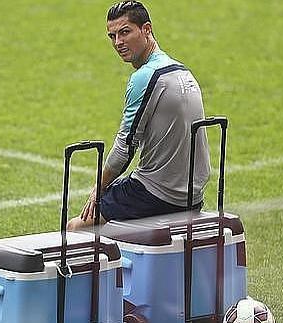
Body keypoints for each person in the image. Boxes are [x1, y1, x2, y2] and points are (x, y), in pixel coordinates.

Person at [67, 1, 210, 230]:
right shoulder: (183, 71)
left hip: (158, 194)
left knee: (76, 227)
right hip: (193, 195)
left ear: (147, 29)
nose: (118, 43)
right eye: (112, 36)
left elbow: (125, 148)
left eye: (125, 32)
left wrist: (99, 187)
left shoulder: (145, 77)